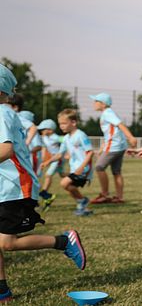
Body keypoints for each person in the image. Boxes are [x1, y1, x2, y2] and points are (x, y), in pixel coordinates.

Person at [0, 64, 87, 302]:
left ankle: (63, 242)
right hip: (4, 186)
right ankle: (2, 290)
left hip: (13, 187)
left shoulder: (1, 113)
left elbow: (6, 150)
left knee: (7, 243)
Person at [42, 109, 94, 216]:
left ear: (73, 122)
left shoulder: (80, 135)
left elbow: (90, 152)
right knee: (67, 186)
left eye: (64, 123)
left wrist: (81, 167)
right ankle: (82, 202)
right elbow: (60, 154)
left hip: (83, 169)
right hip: (75, 169)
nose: (61, 126)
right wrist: (48, 161)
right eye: (60, 124)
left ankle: (82, 201)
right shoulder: (66, 138)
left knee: (64, 183)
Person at [89, 93, 137, 204]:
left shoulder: (107, 113)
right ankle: (119, 198)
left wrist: (131, 137)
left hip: (114, 147)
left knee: (99, 167)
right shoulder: (107, 113)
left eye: (96, 101)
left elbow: (120, 125)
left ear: (103, 104)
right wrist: (102, 148)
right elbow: (110, 133)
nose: (94, 104)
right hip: (119, 146)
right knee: (116, 172)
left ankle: (104, 195)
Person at [37, 119, 65, 212]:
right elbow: (44, 148)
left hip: (57, 159)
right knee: (62, 175)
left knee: (48, 175)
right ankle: (73, 177)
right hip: (52, 160)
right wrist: (44, 160)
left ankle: (44, 192)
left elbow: (66, 140)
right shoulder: (44, 137)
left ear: (50, 130)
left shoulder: (55, 137)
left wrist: (68, 152)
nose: (41, 131)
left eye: (43, 129)